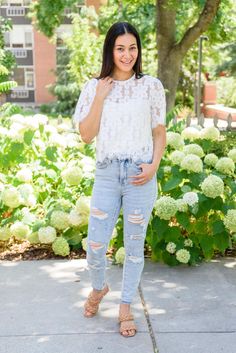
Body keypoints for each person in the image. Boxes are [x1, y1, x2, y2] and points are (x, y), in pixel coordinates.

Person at [73, 21, 166, 338]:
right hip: (108, 174)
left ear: (138, 50)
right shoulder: (93, 87)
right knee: (96, 244)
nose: (127, 54)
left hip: (141, 173)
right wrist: (100, 96)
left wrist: (153, 165)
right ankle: (99, 288)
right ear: (110, 50)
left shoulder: (150, 86)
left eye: (132, 47)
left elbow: (158, 132)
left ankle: (126, 306)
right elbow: (86, 135)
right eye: (120, 48)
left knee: (135, 246)